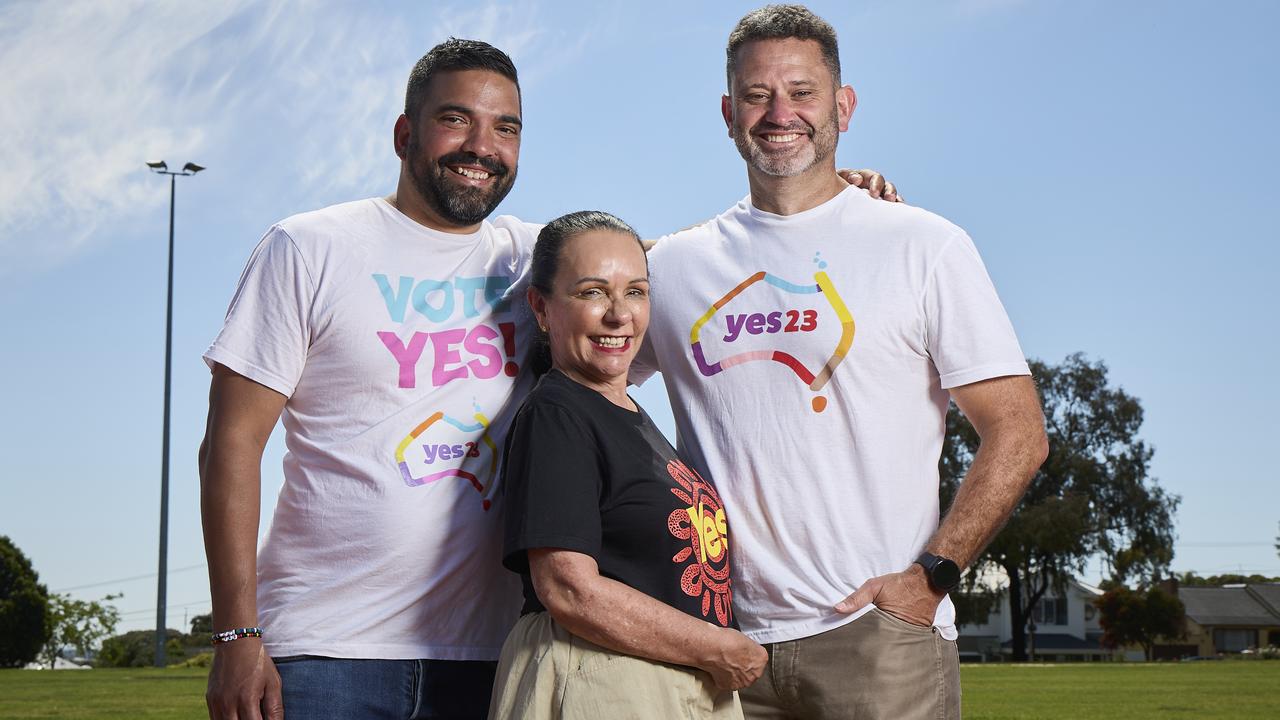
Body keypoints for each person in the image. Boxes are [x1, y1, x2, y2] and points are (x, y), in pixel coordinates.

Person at [198, 36, 897, 720]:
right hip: (329, 650)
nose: (481, 145)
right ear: (405, 132)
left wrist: (822, 203)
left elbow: (655, 264)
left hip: (485, 653)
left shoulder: (529, 257)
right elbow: (230, 445)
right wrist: (236, 634)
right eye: (455, 120)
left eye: (505, 128)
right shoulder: (311, 247)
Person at [630, 5, 1050, 719]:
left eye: (802, 92)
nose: (779, 112)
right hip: (722, 646)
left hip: (878, 639)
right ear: (729, 112)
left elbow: (1019, 432)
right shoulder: (673, 267)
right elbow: (582, 371)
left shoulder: (923, 244)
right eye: (757, 95)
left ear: (842, 107)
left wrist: (930, 580)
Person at [489, 212, 765, 719]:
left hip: (670, 677)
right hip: (604, 678)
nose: (620, 315)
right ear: (542, 308)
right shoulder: (559, 412)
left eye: (635, 292)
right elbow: (568, 588)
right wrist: (716, 648)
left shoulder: (628, 417)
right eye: (593, 292)